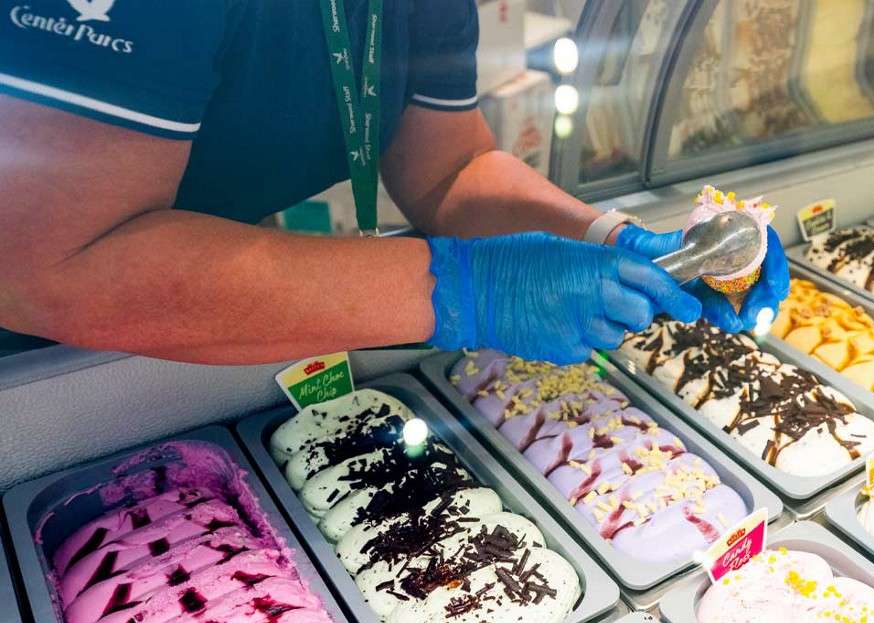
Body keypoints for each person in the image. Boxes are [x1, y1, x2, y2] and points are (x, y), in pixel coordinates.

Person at [0, 0, 788, 366]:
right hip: (36, 373)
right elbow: (52, 269)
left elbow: (449, 167)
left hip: (216, 316)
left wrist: (604, 237)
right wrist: (463, 290)